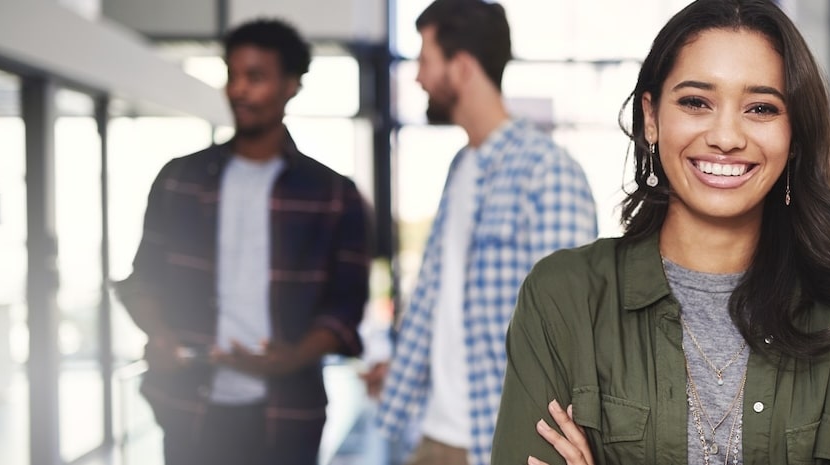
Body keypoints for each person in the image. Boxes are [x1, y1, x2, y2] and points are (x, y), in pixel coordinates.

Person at [490, 1, 830, 465]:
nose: (726, 136)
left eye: (761, 107)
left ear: (795, 135)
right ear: (651, 117)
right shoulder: (562, 298)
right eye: (695, 102)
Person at [114, 18, 370, 465]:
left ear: (291, 86)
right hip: (189, 407)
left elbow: (346, 306)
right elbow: (143, 281)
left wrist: (293, 358)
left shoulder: (333, 194)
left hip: (288, 416)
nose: (239, 90)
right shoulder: (179, 180)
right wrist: (159, 334)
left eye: (256, 77)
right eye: (233, 76)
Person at [369, 1, 598, 465]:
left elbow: (566, 337)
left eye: (425, 60)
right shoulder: (462, 166)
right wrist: (401, 374)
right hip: (435, 432)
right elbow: (443, 302)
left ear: (463, 67)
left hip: (499, 440)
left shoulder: (546, 171)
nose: (417, 77)